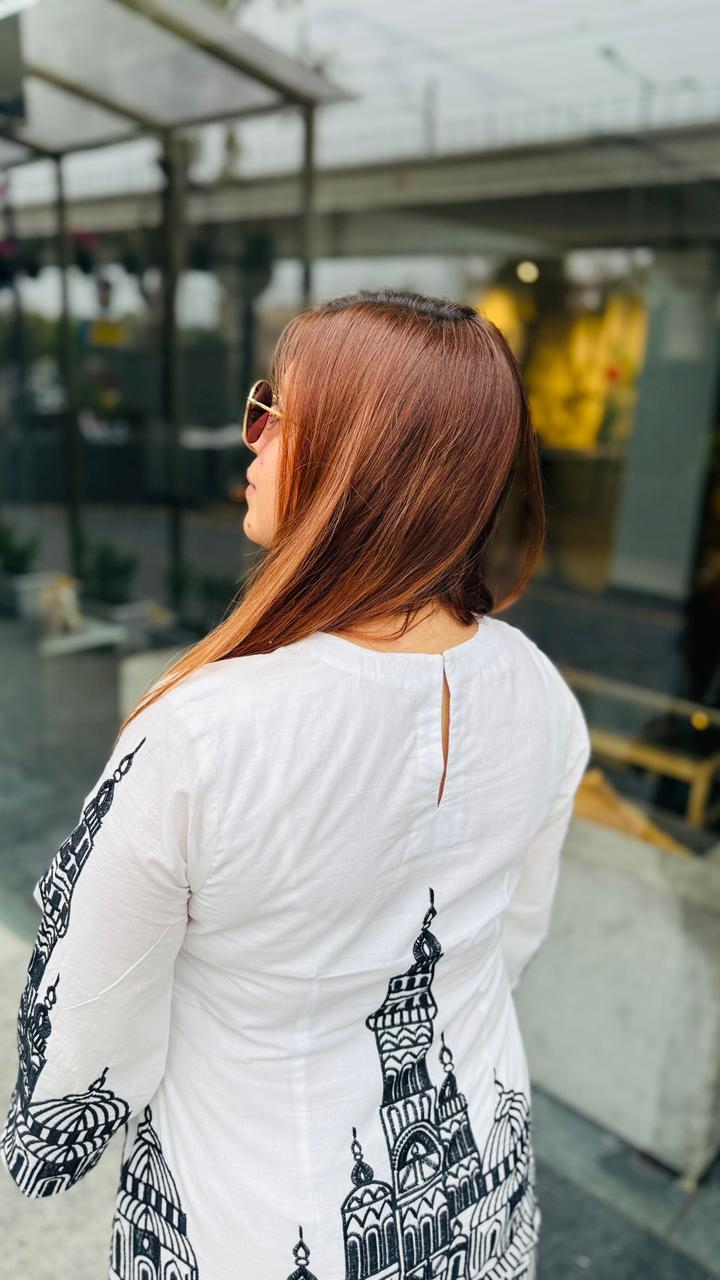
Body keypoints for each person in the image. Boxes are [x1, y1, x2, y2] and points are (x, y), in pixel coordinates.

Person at [1, 289, 590, 1279]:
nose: (254, 434)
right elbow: (508, 941)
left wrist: (45, 1143)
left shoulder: (203, 732)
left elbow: (87, 1033)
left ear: (365, 465)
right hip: (479, 1203)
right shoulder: (537, 684)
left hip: (252, 1219)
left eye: (279, 410)